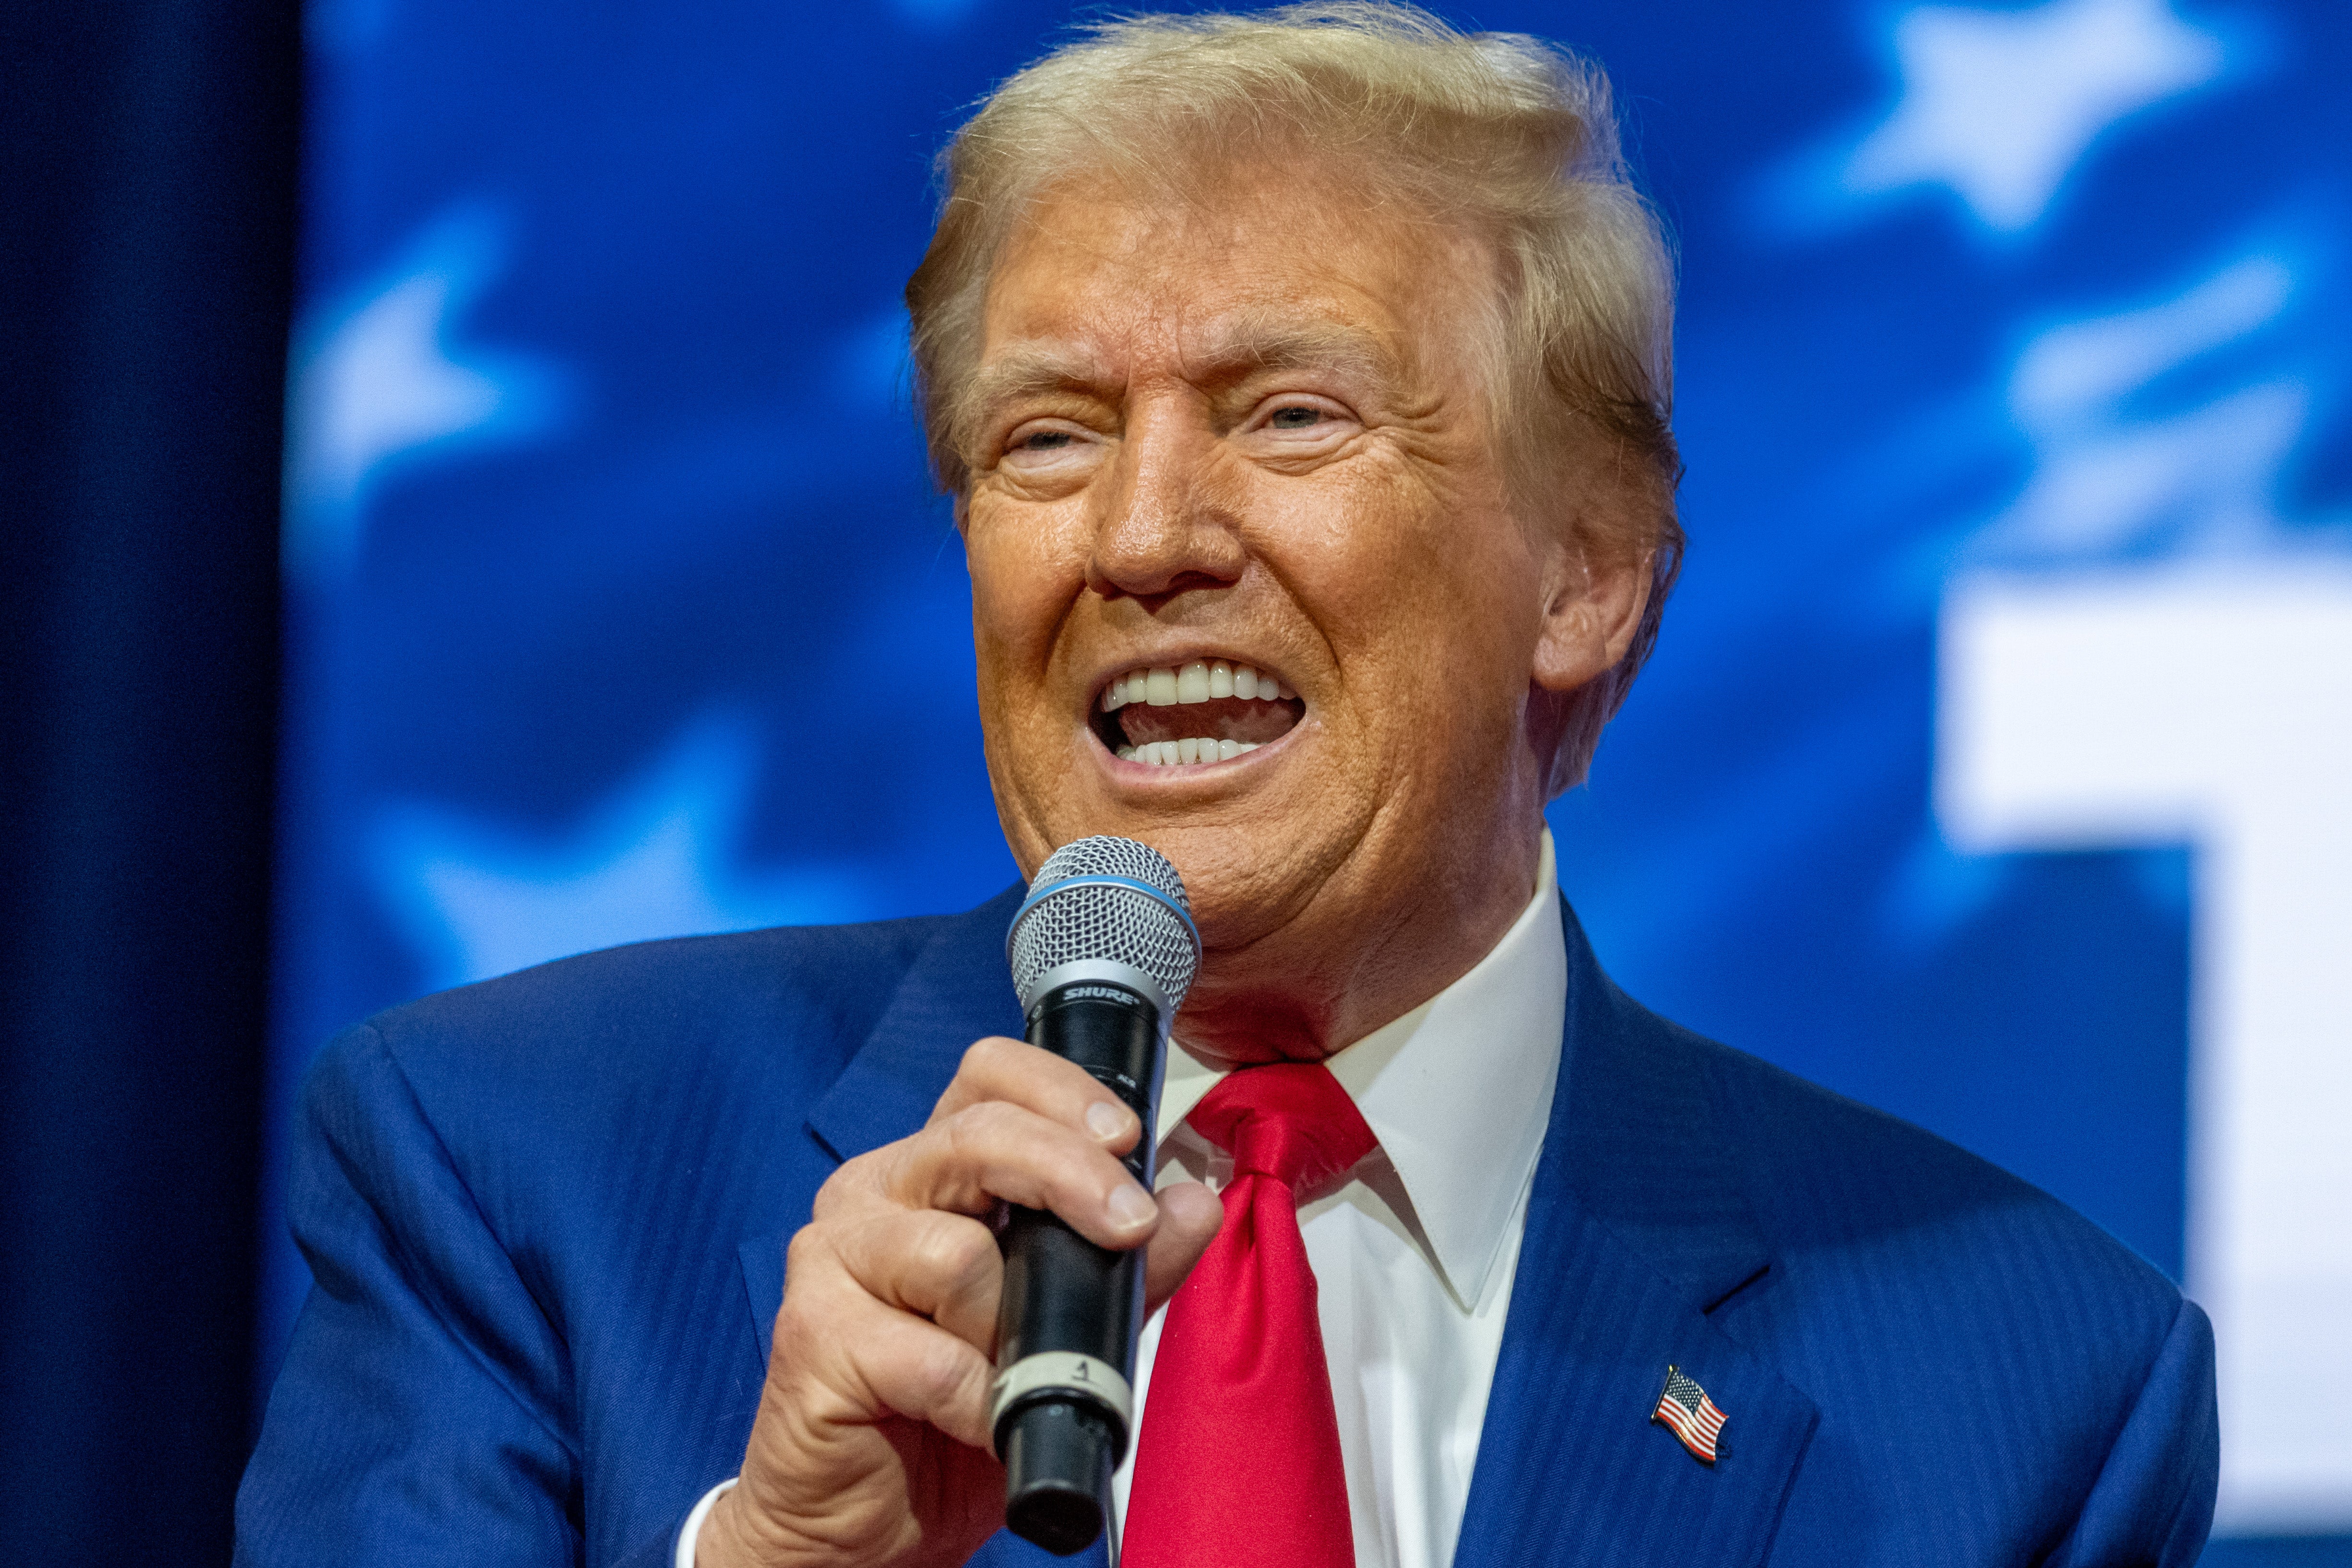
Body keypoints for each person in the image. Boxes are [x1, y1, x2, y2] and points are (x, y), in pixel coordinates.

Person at [235, 6, 2219, 1566]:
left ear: (1586, 575)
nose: (1144, 532)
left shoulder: (2021, 1385)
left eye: (1288, 414)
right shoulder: (518, 1178)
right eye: (1044, 438)